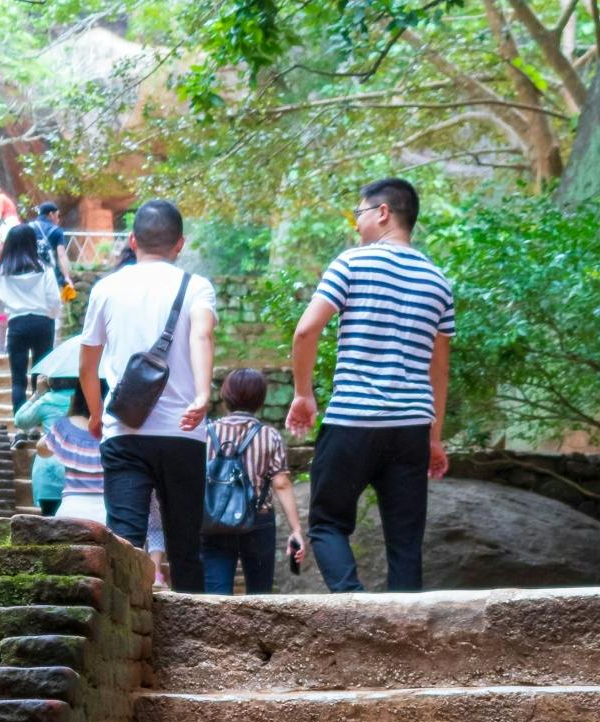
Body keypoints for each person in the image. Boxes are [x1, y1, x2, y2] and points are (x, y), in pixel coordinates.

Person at [287, 175, 453, 593]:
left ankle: (353, 606)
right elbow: (439, 370)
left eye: (358, 214)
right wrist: (434, 437)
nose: (355, 225)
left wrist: (304, 394)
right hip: (412, 428)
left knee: (326, 523)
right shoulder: (438, 281)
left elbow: (306, 332)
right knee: (405, 542)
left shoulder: (352, 263)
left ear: (382, 213)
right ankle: (405, 637)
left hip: (353, 421)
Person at [79, 197, 217, 591]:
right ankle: (197, 637)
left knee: (125, 540)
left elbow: (87, 367)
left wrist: (94, 414)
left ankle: (125, 631)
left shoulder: (106, 289)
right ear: (180, 244)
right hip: (183, 433)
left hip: (125, 429)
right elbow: (201, 335)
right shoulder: (196, 287)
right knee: (186, 543)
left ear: (132, 241)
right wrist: (202, 394)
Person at [202, 367, 305, 596]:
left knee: (215, 598)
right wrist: (296, 529)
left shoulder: (206, 433)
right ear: (260, 399)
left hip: (214, 519)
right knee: (260, 597)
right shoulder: (270, 435)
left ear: (225, 396)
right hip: (259, 520)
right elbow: (281, 484)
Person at [12, 347, 105, 522]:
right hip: (93, 485)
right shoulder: (98, 407)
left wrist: (37, 394)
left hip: (50, 473)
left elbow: (21, 421)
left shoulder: (49, 402)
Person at [0, 222, 64, 410]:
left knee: (18, 380)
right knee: (41, 377)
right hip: (43, 324)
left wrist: (10, 309)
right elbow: (54, 301)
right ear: (32, 243)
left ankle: (21, 427)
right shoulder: (44, 269)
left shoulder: (0, 272)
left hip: (17, 324)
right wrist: (49, 316)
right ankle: (37, 423)